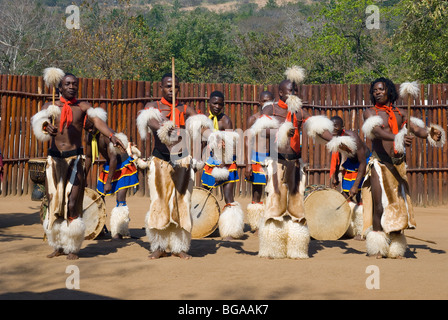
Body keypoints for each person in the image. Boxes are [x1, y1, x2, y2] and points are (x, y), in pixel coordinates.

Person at [31, 72, 124, 260]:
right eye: (67, 84)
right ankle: (58, 244)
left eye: (74, 84)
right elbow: (39, 124)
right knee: (54, 202)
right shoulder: (49, 106)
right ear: (60, 87)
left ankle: (72, 246)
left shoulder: (83, 107)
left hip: (74, 159)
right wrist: (45, 127)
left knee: (73, 203)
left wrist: (113, 136)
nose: (71, 86)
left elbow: (98, 122)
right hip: (55, 160)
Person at [361, 77, 446, 259]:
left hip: (397, 165)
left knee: (397, 207)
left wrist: (431, 133)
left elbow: (416, 129)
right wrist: (398, 138)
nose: (377, 92)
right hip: (379, 163)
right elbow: (376, 131)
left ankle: (396, 248)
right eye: (375, 90)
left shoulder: (400, 113)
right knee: (378, 207)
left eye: (381, 89)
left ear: (389, 91)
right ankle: (377, 247)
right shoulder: (370, 112)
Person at [136, 73, 213, 260]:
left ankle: (179, 247)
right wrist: (166, 131)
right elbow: (153, 123)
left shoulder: (186, 109)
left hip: (182, 162)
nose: (172, 89)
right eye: (168, 86)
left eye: (175, 86)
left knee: (182, 203)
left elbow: (201, 125)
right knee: (159, 202)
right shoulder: (153, 108)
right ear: (161, 88)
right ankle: (160, 246)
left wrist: (213, 136)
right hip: (160, 162)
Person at [256, 69, 312, 259]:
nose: (292, 94)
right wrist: (281, 133)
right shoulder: (270, 110)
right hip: (276, 162)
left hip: (295, 164)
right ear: (280, 92)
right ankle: (272, 248)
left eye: (295, 90)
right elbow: (263, 132)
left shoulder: (300, 112)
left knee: (297, 207)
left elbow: (316, 127)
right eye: (289, 90)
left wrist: (333, 139)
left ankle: (297, 248)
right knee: (275, 205)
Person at [84, 111, 140, 240]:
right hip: (110, 165)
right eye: (87, 128)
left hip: (122, 165)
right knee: (99, 197)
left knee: (120, 198)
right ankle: (99, 228)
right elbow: (88, 157)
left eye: (92, 127)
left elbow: (114, 158)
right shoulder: (89, 135)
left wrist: (109, 182)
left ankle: (119, 231)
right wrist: (84, 177)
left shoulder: (106, 135)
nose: (90, 130)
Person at [201, 91, 244, 240]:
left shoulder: (226, 121)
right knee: (204, 194)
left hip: (226, 162)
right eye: (215, 103)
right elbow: (201, 143)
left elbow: (230, 145)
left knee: (228, 196)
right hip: (210, 162)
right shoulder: (205, 121)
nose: (217, 106)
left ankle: (230, 231)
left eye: (220, 104)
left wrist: (223, 166)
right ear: (209, 103)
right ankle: (205, 226)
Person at [327, 115, 370, 240]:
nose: (333, 128)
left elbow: (363, 162)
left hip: (363, 163)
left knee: (360, 196)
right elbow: (338, 155)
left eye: (336, 125)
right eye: (331, 126)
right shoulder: (334, 138)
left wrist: (356, 185)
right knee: (346, 193)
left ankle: (363, 230)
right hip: (351, 163)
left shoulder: (352, 138)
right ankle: (348, 227)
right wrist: (335, 175)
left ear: (343, 127)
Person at [244, 91, 274, 232]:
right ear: (259, 103)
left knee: (272, 190)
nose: (267, 103)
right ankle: (256, 224)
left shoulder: (275, 120)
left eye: (270, 100)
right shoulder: (253, 119)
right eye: (264, 100)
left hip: (272, 157)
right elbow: (247, 141)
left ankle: (270, 221)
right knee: (257, 191)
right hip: (256, 157)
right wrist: (248, 164)